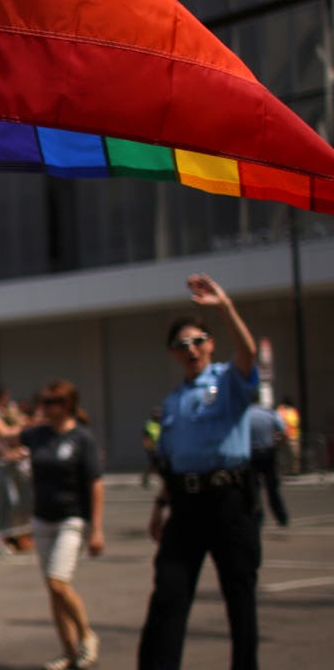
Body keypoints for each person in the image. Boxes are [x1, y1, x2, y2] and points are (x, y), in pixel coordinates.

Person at [138, 273, 260, 670]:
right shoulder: (173, 403)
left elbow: (249, 353)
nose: (190, 350)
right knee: (168, 594)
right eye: (181, 345)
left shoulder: (228, 382)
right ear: (172, 353)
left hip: (229, 501)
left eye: (198, 342)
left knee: (239, 596)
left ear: (210, 345)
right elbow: (171, 463)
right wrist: (160, 507)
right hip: (186, 505)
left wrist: (224, 307)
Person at [0, 377, 104, 670]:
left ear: (67, 405)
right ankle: (69, 652)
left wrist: (97, 529)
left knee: (58, 584)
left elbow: (95, 484)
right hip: (43, 520)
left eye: (51, 402)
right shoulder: (40, 434)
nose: (44, 407)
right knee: (53, 587)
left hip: (71, 520)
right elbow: (6, 435)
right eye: (43, 401)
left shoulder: (82, 438)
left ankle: (86, 635)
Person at [245, 404, 288, 527]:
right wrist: (278, 447)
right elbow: (283, 433)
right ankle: (281, 517)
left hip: (252, 454)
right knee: (272, 488)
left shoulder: (246, 415)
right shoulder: (270, 413)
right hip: (268, 452)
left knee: (254, 489)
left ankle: (258, 517)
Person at [275, 397, 300, 474]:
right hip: (287, 436)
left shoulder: (292, 411)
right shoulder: (281, 410)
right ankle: (287, 470)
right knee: (288, 455)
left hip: (291, 436)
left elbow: (295, 422)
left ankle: (294, 470)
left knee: (293, 455)